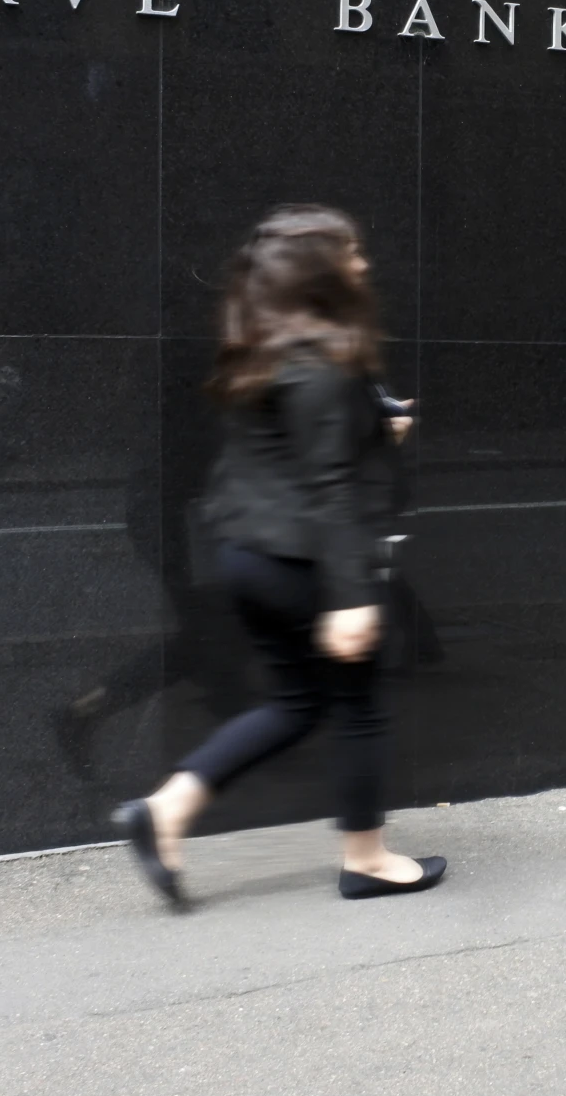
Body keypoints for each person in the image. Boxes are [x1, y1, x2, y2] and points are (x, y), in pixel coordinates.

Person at [110, 204, 445, 906]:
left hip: (248, 554)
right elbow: (331, 487)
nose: (363, 264)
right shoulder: (325, 360)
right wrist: (352, 598)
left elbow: (291, 453)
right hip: (307, 566)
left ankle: (166, 809)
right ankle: (367, 859)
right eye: (351, 253)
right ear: (322, 271)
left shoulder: (265, 351)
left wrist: (378, 425)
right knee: (358, 709)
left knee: (295, 704)